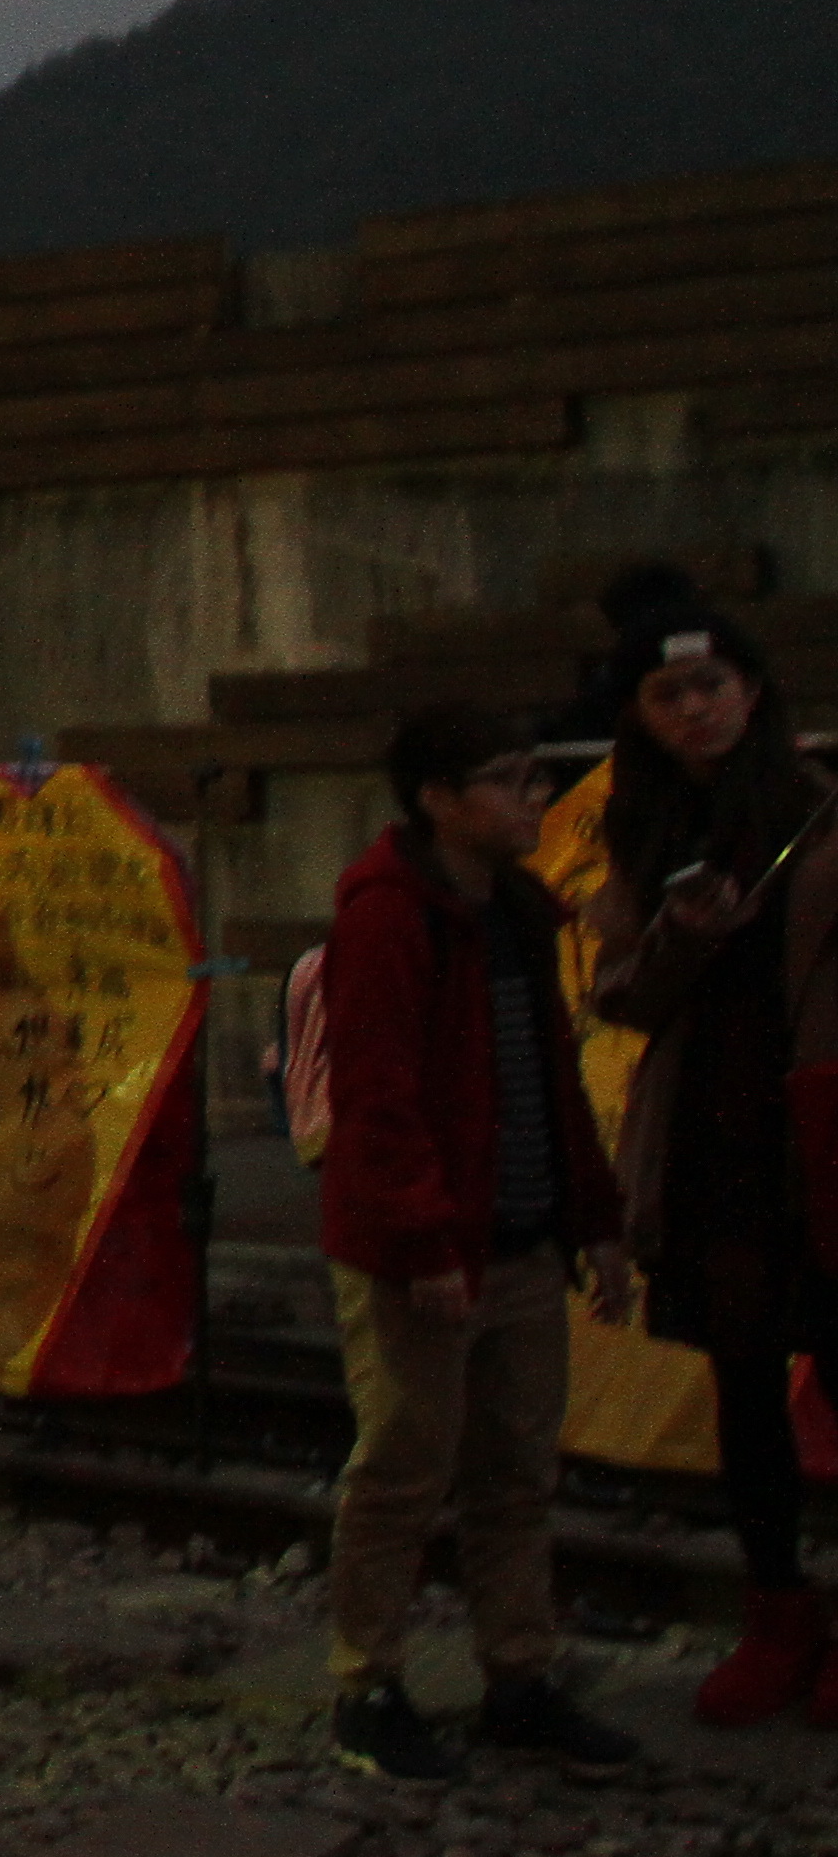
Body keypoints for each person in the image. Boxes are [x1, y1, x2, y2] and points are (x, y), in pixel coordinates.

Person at [314, 703, 639, 1780]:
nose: (533, 799)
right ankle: (368, 1682)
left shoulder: (517, 913)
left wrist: (594, 1224)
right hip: (429, 1250)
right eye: (507, 780)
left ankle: (518, 1674)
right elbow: (378, 1098)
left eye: (535, 779)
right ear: (439, 801)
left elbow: (548, 1080)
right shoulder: (388, 918)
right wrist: (423, 1245)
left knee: (514, 1472)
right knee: (404, 1468)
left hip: (521, 1237)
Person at [589, 568, 838, 1725]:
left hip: (819, 1125)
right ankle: (776, 1614)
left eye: (711, 684)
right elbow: (623, 1000)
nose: (694, 709)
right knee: (743, 1381)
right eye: (667, 693)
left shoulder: (816, 810)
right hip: (710, 1132)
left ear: (751, 690)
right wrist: (687, 941)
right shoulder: (639, 832)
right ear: (640, 716)